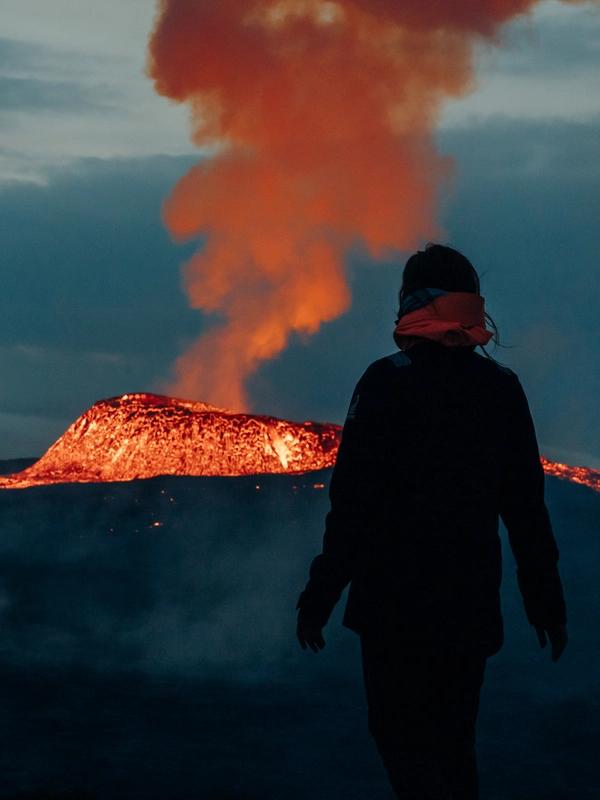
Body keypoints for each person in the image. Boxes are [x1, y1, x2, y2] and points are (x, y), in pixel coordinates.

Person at [295, 244, 568, 800]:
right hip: (468, 608)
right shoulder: (500, 390)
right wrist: (545, 600)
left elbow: (352, 505)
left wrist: (322, 592)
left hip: (392, 608)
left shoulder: (384, 384)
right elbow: (525, 509)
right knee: (453, 742)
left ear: (411, 304)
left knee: (401, 740)